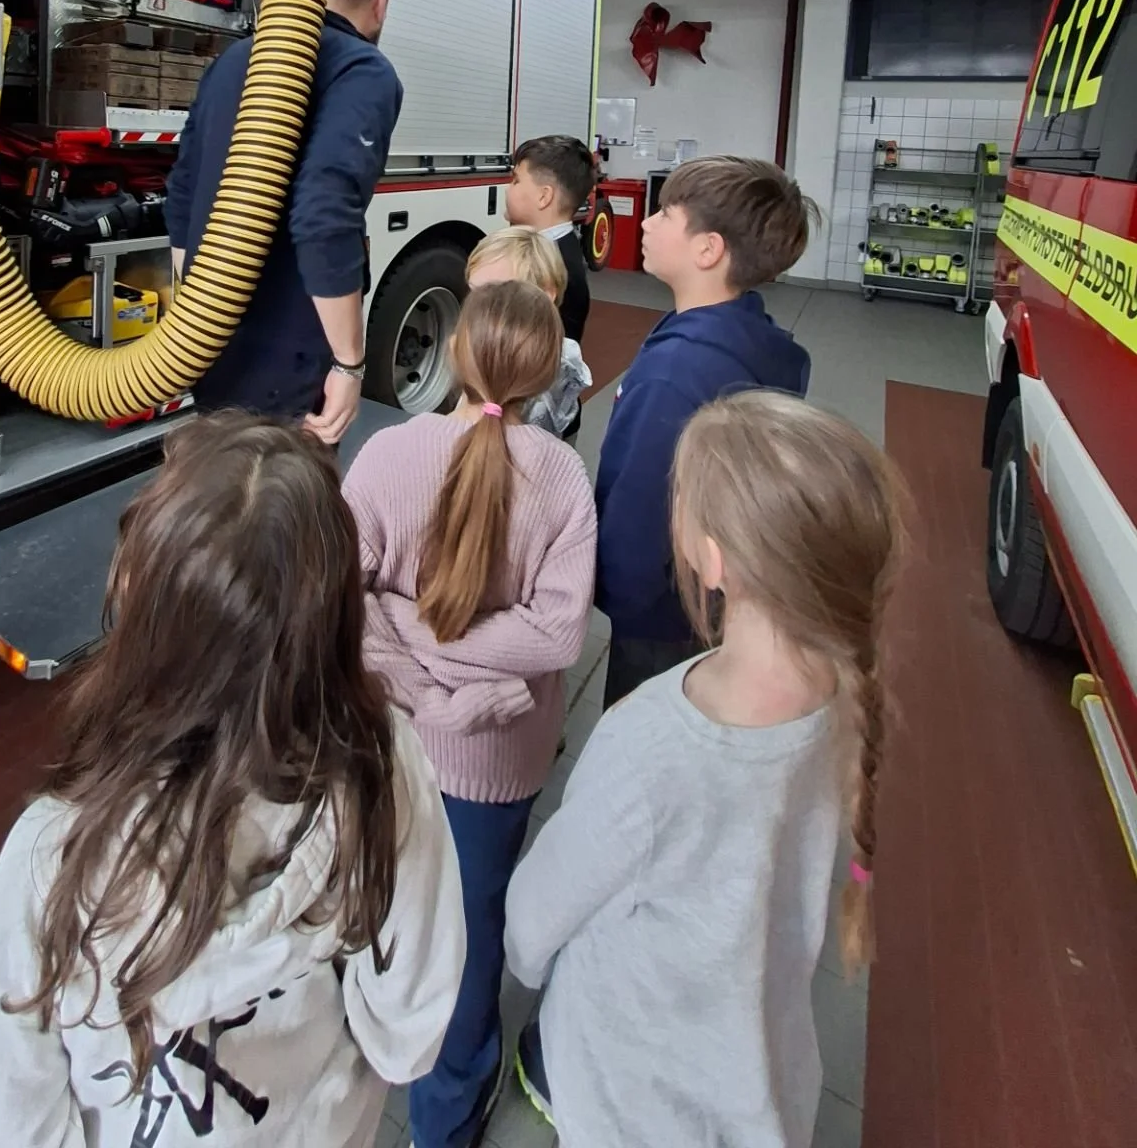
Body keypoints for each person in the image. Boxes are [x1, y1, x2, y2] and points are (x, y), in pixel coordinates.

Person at [0, 416, 466, 1148]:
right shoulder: (383, 762)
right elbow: (407, 1033)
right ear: (336, 619)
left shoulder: (53, 861)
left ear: (147, 615)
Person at [505, 390, 907, 1148]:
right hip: (765, 1088)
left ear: (714, 559)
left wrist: (524, 966)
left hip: (635, 1103)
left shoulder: (651, 744)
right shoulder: (849, 700)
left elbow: (533, 922)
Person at [344, 283, 597, 1148]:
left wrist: (422, 665)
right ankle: (444, 1118)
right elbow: (557, 633)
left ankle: (366, 1044)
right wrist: (462, 684)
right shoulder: (561, 476)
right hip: (496, 765)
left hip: (390, 745)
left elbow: (349, 597)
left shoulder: (386, 454)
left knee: (380, 903)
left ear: (454, 353)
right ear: (544, 372)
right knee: (472, 934)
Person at [596, 156, 816, 710]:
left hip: (662, 615)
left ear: (708, 249)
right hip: (721, 596)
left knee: (646, 731)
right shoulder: (757, 337)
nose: (644, 222)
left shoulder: (676, 376)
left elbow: (640, 512)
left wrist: (610, 593)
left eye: (665, 213)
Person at [166, 0, 402, 443]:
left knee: (219, 496)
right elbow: (324, 209)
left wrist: (197, 312)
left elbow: (182, 189)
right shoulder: (361, 69)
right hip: (288, 360)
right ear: (379, 3)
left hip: (215, 343)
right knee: (284, 510)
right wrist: (349, 364)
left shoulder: (233, 59)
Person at [466, 227, 590, 439]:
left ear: (545, 294)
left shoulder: (551, 364)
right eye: (473, 294)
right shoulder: (483, 344)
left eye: (498, 296)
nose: (478, 310)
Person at [503, 136, 597, 348]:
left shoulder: (553, 268)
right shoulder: (560, 250)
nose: (508, 188)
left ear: (544, 196)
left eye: (516, 180)